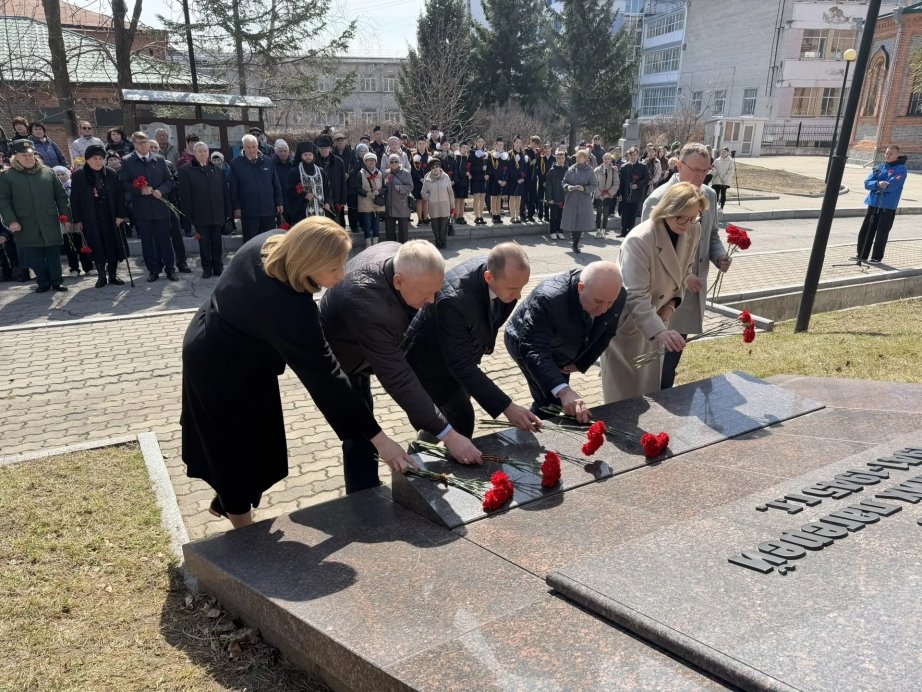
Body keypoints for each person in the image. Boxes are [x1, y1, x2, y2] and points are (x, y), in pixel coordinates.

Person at [181, 218, 415, 528]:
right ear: (310, 260)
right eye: (334, 268)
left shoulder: (274, 241)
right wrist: (379, 440)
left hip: (244, 355)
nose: (341, 275)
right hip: (218, 369)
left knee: (263, 440)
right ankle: (244, 539)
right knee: (233, 452)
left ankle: (228, 501)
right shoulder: (287, 307)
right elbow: (327, 379)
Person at [320, 239, 482, 492]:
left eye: (435, 291)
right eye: (425, 293)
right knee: (360, 428)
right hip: (344, 357)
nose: (431, 300)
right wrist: (449, 436)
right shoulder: (369, 305)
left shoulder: (406, 259)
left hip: (378, 333)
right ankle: (364, 497)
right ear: (398, 281)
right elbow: (397, 377)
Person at [404, 244, 544, 438]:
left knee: (450, 417)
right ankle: (418, 458)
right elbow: (460, 364)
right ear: (489, 277)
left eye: (522, 287)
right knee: (462, 419)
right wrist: (507, 406)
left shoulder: (503, 280)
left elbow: (488, 323)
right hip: (430, 363)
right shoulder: (453, 302)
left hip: (459, 354)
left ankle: (425, 448)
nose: (518, 296)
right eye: (513, 289)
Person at [602, 183, 706, 403]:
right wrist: (659, 330)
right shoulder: (640, 240)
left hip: (658, 321)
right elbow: (635, 294)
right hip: (631, 323)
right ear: (667, 209)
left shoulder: (693, 229)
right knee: (623, 398)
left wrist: (669, 308)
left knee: (650, 393)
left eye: (693, 218)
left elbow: (684, 272)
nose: (687, 225)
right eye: (681, 218)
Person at [642, 142, 730, 389]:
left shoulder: (709, 196)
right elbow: (648, 249)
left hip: (690, 294)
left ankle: (666, 392)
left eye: (705, 170)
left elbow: (711, 235)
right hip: (662, 295)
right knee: (656, 357)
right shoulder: (658, 199)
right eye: (695, 169)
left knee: (673, 355)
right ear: (679, 166)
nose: (700, 176)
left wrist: (720, 256)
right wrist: (684, 276)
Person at [505, 261, 625, 421]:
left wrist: (582, 362)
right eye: (598, 302)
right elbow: (534, 348)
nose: (604, 309)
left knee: (557, 397)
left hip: (562, 344)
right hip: (523, 340)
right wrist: (564, 390)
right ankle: (530, 430)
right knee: (551, 398)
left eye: (610, 302)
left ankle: (546, 417)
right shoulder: (549, 299)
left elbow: (606, 332)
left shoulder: (616, 294)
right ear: (581, 288)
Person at [0, 139, 71, 292]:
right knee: (35, 253)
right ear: (15, 157)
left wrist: (65, 216)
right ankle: (43, 282)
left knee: (52, 252)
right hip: (25, 222)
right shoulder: (7, 176)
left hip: (48, 219)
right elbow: (3, 201)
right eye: (23, 155)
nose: (28, 158)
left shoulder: (48, 172)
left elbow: (61, 196)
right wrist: (11, 220)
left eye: (31, 154)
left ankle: (57, 281)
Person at [120, 131, 177, 282]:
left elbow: (169, 180)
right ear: (134, 144)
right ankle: (153, 270)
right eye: (140, 142)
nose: (144, 145)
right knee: (147, 241)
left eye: (145, 141)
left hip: (160, 207)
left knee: (165, 240)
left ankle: (170, 269)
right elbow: (124, 183)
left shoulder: (158, 159)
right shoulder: (127, 161)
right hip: (142, 208)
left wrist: (161, 190)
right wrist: (139, 190)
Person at [69, 144, 128, 288]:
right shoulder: (79, 175)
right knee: (96, 245)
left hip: (110, 217)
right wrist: (78, 220)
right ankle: (102, 276)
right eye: (94, 158)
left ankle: (113, 275)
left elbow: (119, 196)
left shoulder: (111, 173)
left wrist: (121, 215)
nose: (98, 161)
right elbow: (75, 199)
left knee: (112, 245)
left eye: (101, 158)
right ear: (87, 160)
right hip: (91, 218)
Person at [179, 142, 231, 278]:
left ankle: (218, 267)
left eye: (205, 151)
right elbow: (185, 195)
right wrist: (188, 216)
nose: (203, 154)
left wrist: (227, 212)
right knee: (204, 243)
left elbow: (224, 192)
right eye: (200, 151)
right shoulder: (186, 170)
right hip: (200, 214)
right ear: (194, 153)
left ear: (209, 152)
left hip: (217, 213)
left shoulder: (217, 169)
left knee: (217, 242)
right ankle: (207, 268)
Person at [852, 145, 908, 264]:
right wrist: (878, 183)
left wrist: (880, 184)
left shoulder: (901, 169)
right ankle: (861, 254)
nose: (887, 156)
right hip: (873, 203)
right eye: (886, 153)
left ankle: (876, 257)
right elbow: (867, 183)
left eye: (891, 154)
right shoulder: (879, 167)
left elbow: (892, 185)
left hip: (887, 206)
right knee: (866, 230)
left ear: (897, 155)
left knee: (882, 232)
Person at [229, 134, 284, 241]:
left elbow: (276, 184)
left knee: (270, 240)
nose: (251, 150)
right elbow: (233, 188)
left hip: (268, 210)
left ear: (257, 146)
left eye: (254, 146)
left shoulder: (268, 161)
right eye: (248, 147)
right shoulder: (236, 164)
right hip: (249, 211)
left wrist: (279, 202)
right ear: (243, 147)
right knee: (251, 241)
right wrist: (236, 207)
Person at [148, 139, 192, 271]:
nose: (154, 150)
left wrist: (164, 190)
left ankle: (181, 262)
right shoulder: (144, 166)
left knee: (176, 235)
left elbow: (175, 181)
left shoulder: (168, 164)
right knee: (157, 237)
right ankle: (159, 263)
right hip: (153, 206)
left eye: (156, 147)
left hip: (170, 202)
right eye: (151, 147)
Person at [561, 148, 598, 254]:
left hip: (583, 199)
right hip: (571, 198)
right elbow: (563, 182)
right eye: (577, 157)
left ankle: (575, 244)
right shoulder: (571, 169)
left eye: (580, 157)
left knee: (580, 221)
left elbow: (594, 185)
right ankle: (574, 242)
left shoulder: (589, 170)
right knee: (572, 220)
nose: (578, 158)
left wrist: (585, 188)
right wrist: (568, 187)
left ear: (585, 158)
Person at [287, 141, 332, 224]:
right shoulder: (294, 172)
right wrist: (304, 196)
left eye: (310, 155)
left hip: (321, 211)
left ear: (313, 156)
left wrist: (327, 202)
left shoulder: (321, 171)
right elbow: (290, 192)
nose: (308, 157)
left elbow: (327, 189)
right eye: (305, 155)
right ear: (301, 156)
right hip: (303, 213)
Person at [421, 157, 454, 249]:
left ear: (439, 167)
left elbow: (450, 192)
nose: (435, 169)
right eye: (433, 167)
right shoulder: (427, 178)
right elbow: (423, 192)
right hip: (433, 206)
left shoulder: (446, 177)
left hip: (445, 205)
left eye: (437, 166)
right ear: (430, 169)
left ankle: (443, 241)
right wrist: (428, 196)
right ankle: (437, 240)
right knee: (435, 226)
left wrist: (453, 206)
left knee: (444, 226)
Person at [315, 133, 347, 226]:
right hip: (318, 199)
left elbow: (343, 183)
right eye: (321, 148)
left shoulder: (338, 161)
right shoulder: (314, 161)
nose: (324, 150)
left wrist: (342, 201)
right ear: (318, 149)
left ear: (330, 148)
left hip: (335, 199)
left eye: (326, 148)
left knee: (335, 225)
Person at [382, 153, 413, 243]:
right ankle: (391, 250)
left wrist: (400, 188)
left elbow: (410, 187)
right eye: (392, 161)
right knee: (390, 232)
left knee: (403, 232)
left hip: (402, 205)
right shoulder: (386, 173)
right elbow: (384, 186)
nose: (394, 163)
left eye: (396, 161)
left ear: (399, 162)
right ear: (389, 163)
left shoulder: (405, 173)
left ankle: (404, 250)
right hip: (390, 205)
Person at [618, 147, 649, 237]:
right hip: (625, 194)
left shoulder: (643, 167)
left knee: (633, 214)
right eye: (631, 155)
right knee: (624, 214)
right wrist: (619, 194)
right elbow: (621, 182)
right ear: (629, 155)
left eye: (635, 155)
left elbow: (646, 178)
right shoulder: (624, 167)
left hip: (636, 195)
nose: (633, 157)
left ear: (638, 155)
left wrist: (638, 185)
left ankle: (630, 232)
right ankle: (623, 231)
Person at [355, 151, 383, 246]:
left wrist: (379, 191)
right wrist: (367, 193)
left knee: (376, 225)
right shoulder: (361, 173)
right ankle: (368, 244)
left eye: (373, 160)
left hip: (376, 203)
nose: (371, 162)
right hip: (365, 202)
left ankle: (375, 245)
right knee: (367, 225)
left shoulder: (379, 173)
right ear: (365, 162)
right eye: (368, 160)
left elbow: (385, 187)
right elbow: (357, 187)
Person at [545, 148, 567, 241]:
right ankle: (553, 232)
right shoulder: (552, 171)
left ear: (565, 158)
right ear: (556, 158)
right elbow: (548, 186)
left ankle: (560, 231)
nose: (560, 160)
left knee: (562, 216)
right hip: (554, 197)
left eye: (562, 158)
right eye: (558, 158)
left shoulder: (568, 169)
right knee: (553, 216)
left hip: (564, 197)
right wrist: (549, 198)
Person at [594, 152, 618, 237]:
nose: (606, 160)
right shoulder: (597, 170)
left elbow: (616, 183)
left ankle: (603, 230)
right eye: (605, 158)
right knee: (599, 212)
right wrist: (599, 194)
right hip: (599, 195)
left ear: (611, 160)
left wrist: (609, 193)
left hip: (608, 195)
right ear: (602, 159)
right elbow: (594, 183)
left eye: (608, 159)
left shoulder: (614, 170)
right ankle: (597, 230)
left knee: (606, 213)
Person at [487, 138, 509, 224]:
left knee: (499, 197)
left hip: (502, 181)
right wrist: (498, 180)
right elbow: (491, 169)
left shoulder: (505, 156)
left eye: (502, 145)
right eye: (498, 144)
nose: (500, 146)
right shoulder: (491, 155)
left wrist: (505, 180)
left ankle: (498, 214)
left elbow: (507, 169)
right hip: (494, 180)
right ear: (495, 145)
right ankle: (494, 214)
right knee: (494, 197)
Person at [409, 137, 431, 226]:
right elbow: (413, 170)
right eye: (420, 144)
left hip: (427, 181)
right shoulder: (413, 155)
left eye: (423, 143)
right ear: (417, 145)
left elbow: (431, 168)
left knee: (425, 200)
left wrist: (428, 178)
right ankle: (420, 219)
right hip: (418, 182)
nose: (421, 145)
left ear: (426, 145)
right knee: (419, 200)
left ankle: (426, 218)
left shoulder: (429, 155)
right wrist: (420, 178)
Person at [469, 136, 489, 225]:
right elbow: (471, 167)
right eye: (479, 141)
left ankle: (481, 216)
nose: (480, 143)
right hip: (476, 178)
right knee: (476, 197)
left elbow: (489, 166)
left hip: (483, 178)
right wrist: (481, 167)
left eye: (482, 141)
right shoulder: (472, 153)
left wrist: (488, 174)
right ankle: (476, 216)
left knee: (482, 198)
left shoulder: (486, 153)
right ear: (476, 142)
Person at [452, 141, 471, 224]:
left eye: (466, 148)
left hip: (465, 181)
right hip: (458, 181)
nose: (465, 149)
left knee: (463, 199)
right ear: (459, 148)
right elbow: (457, 170)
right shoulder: (457, 157)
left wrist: (469, 174)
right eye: (463, 147)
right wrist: (464, 173)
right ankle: (456, 216)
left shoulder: (466, 158)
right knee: (458, 199)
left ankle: (461, 216)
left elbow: (468, 168)